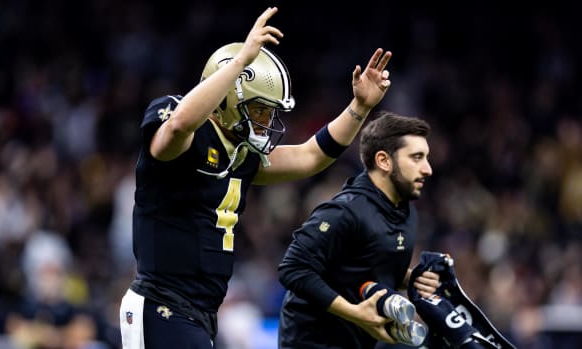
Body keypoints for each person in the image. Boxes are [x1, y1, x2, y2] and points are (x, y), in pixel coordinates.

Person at [119, 6, 393, 349]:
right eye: (259, 109)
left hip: (199, 312)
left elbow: (312, 155)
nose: (265, 121)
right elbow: (177, 125)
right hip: (161, 305)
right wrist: (240, 63)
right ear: (231, 98)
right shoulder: (179, 126)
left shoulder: (241, 154)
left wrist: (359, 107)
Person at [277, 111, 441, 348]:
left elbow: (362, 268)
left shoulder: (406, 212)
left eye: (426, 157)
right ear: (384, 161)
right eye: (416, 157)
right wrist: (355, 313)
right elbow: (293, 268)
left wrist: (411, 279)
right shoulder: (345, 211)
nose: (428, 169)